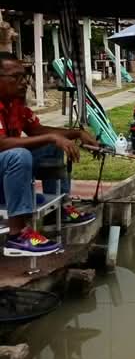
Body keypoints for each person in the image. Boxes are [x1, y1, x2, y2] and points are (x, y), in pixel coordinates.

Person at [0, 52, 99, 257]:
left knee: (53, 145)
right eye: (15, 77)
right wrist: (52, 138)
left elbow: (37, 131)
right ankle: (17, 236)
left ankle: (59, 209)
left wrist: (75, 134)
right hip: (6, 165)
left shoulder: (15, 104)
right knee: (19, 155)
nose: (23, 83)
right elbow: (2, 144)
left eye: (24, 76)